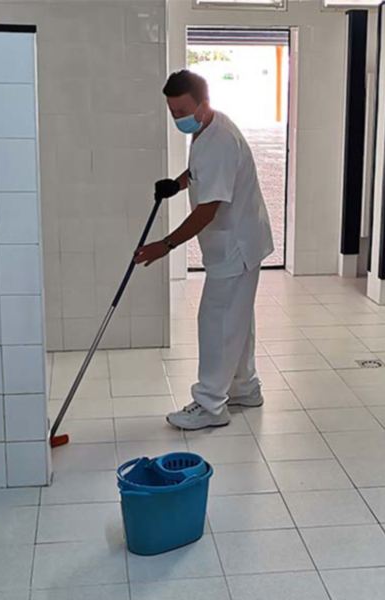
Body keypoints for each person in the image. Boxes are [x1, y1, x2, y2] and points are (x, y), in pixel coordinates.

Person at [133, 70, 274, 431]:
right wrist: (177, 184)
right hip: (237, 241)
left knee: (217, 320)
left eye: (182, 109)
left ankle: (210, 404)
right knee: (236, 318)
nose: (177, 117)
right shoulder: (207, 127)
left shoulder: (221, 139)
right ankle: (244, 388)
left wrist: (165, 245)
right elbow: (201, 171)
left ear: (203, 103)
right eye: (172, 111)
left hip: (235, 246)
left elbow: (208, 209)